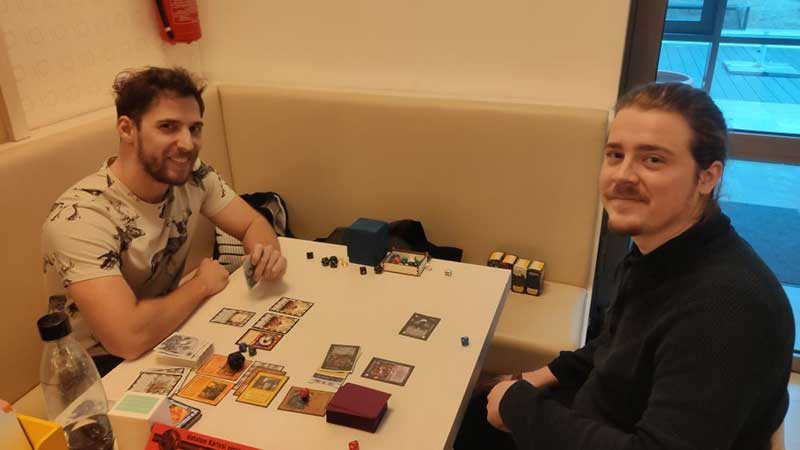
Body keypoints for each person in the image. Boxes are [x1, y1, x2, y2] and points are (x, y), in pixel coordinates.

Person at [455, 82, 795, 450]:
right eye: (615, 155)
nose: (622, 176)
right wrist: (541, 375)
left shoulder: (727, 309)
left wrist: (519, 406)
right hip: (599, 416)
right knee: (461, 408)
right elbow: (615, 344)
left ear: (707, 177)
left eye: (653, 160)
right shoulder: (658, 253)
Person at [41, 67, 287, 375]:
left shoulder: (193, 174)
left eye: (194, 128)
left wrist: (266, 256)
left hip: (169, 330)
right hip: (99, 370)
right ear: (127, 129)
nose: (187, 143)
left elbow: (252, 224)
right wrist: (201, 285)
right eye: (168, 127)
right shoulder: (79, 216)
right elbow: (127, 338)